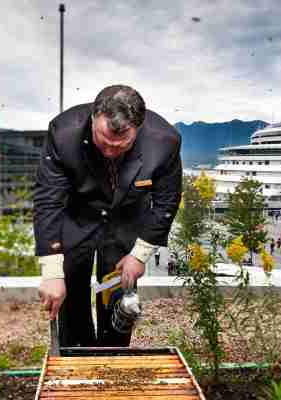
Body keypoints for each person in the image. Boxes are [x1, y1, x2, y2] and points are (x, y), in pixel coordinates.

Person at [33, 85, 182, 347]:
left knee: (118, 294)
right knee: (70, 291)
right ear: (93, 118)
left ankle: (113, 353)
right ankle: (75, 352)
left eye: (121, 145)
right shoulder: (63, 132)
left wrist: (140, 254)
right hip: (78, 215)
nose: (110, 152)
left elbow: (166, 200)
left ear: (139, 127)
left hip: (126, 218)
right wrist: (52, 271)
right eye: (104, 141)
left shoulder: (165, 140)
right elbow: (48, 200)